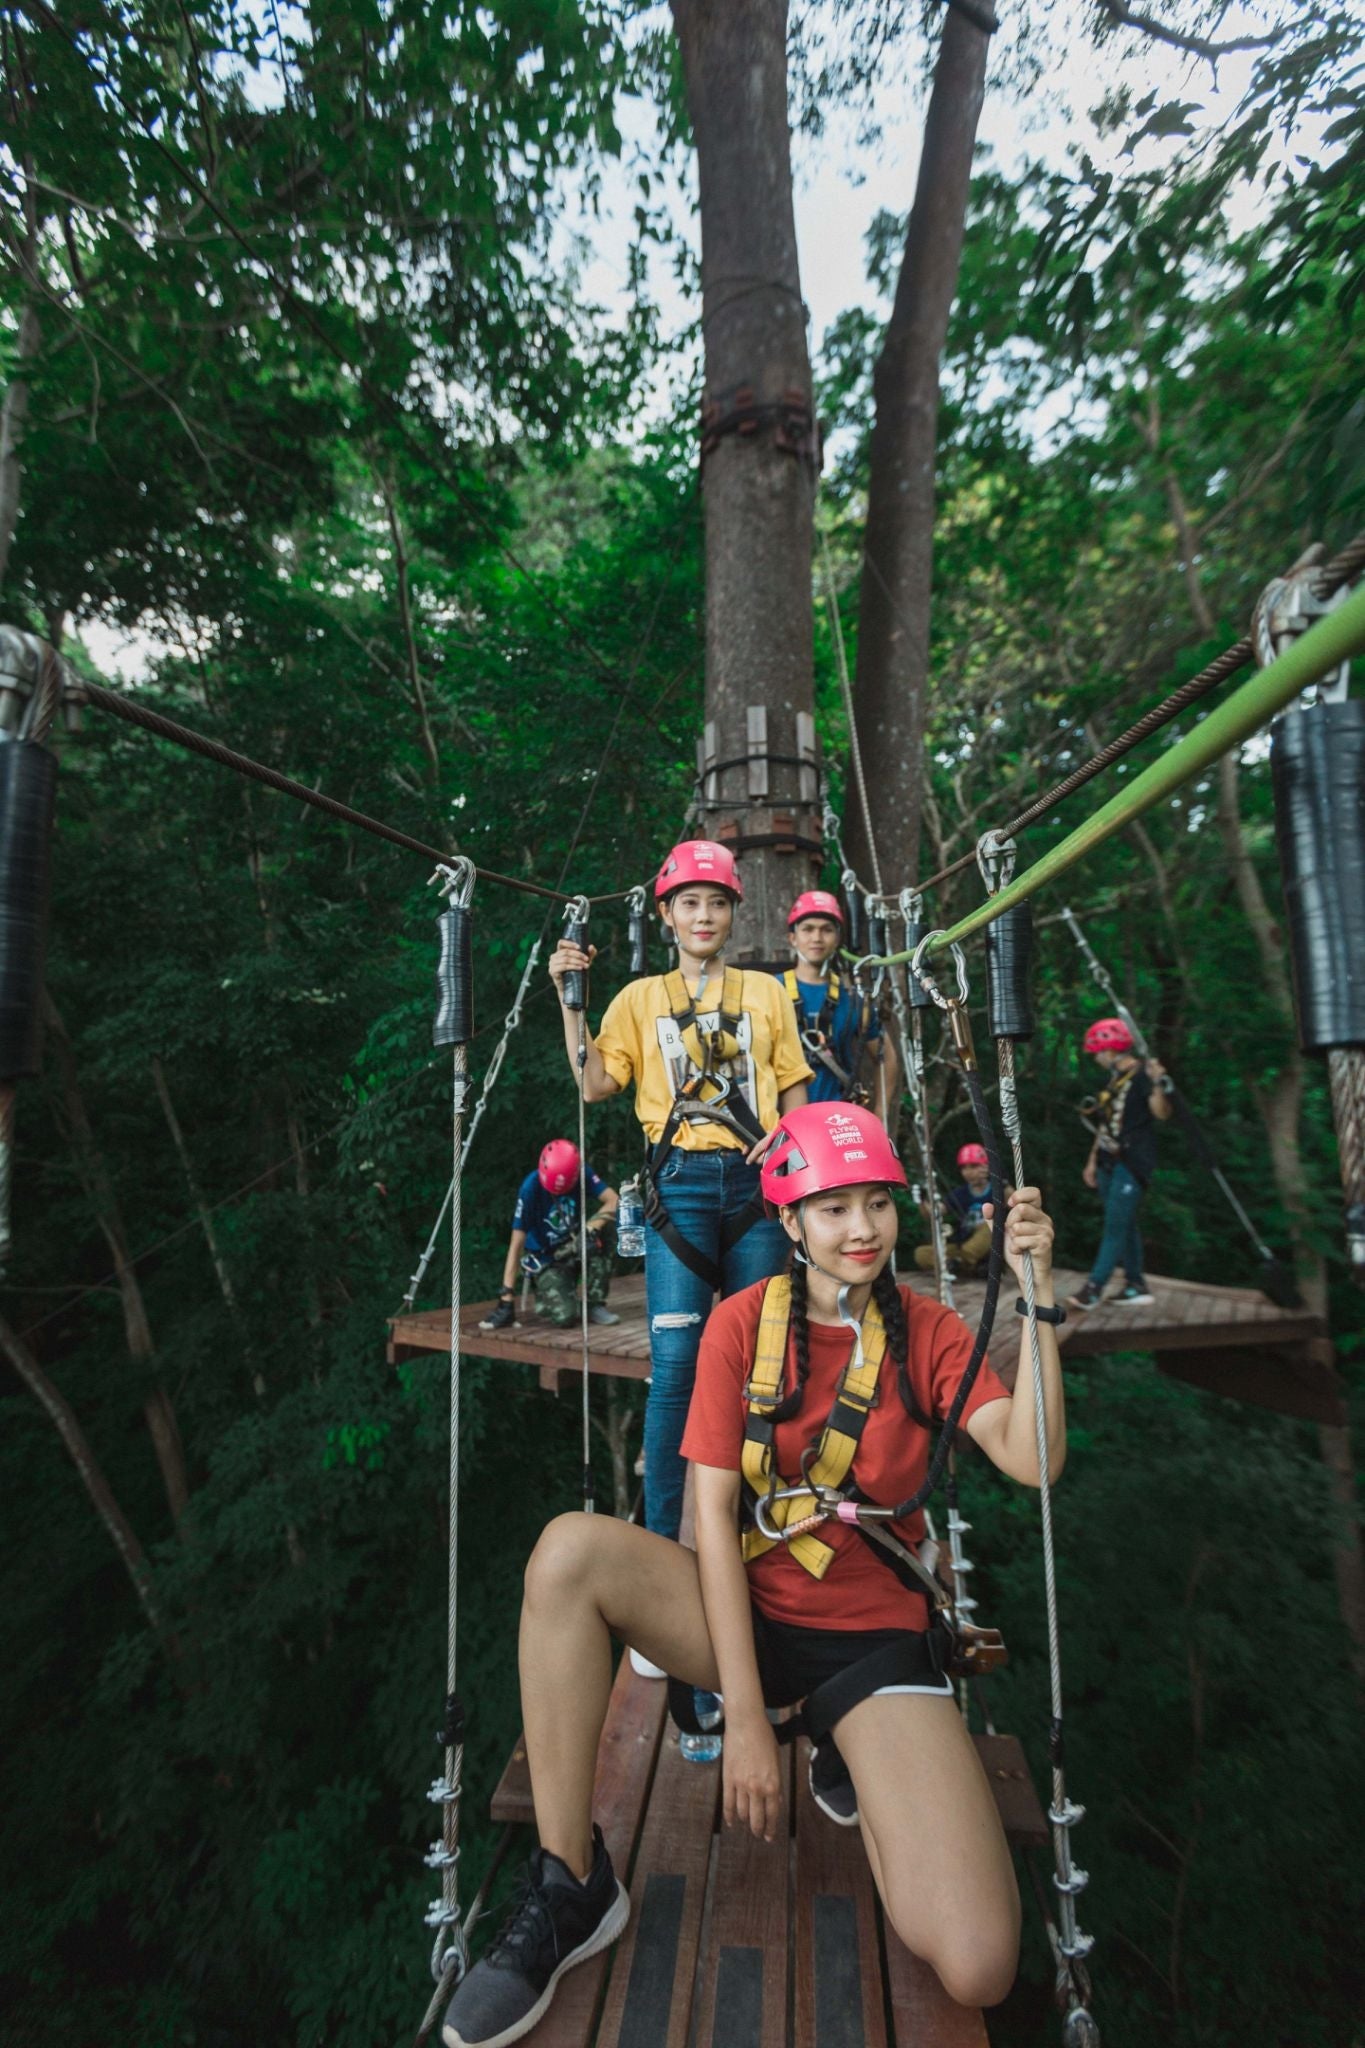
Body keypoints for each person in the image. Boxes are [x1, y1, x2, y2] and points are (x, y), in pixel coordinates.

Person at [439, 1102, 1067, 2048]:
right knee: (569, 1550)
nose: (860, 1229)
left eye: (877, 1205)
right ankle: (572, 1882)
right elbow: (710, 1518)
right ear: (789, 1223)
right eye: (832, 1208)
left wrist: (1037, 1300)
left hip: (873, 1642)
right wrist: (739, 1717)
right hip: (749, 1615)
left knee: (976, 1961)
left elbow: (1032, 1457)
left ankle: (852, 1746)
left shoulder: (926, 1331)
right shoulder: (740, 1327)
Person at [547, 839, 810, 1551]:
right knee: (674, 1369)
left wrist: (784, 1145)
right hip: (679, 1190)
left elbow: (792, 1086)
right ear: (667, 915)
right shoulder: (639, 1000)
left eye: (716, 903)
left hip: (756, 1188)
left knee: (764, 1359)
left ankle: (760, 1518)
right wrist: (569, 1003)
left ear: (732, 914)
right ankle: (663, 1532)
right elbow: (595, 1084)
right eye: (690, 903)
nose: (703, 915)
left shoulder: (765, 992)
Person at [1069, 1016, 1171, 1310]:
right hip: (1106, 1161)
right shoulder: (1113, 1080)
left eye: (1098, 1053)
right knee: (1124, 1225)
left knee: (1115, 1226)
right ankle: (1135, 1285)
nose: (1097, 1059)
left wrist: (1157, 1084)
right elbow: (1103, 1126)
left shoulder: (1142, 1076)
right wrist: (1091, 1162)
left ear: (1111, 1050)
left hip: (1133, 1161)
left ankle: (1093, 1288)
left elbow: (1161, 1113)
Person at [778, 889, 900, 1113]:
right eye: (808, 929)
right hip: (783, 1122)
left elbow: (887, 1058)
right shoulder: (771, 991)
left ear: (837, 938)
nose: (817, 938)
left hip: (838, 1120)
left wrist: (880, 1115)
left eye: (826, 930)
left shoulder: (854, 999)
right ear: (792, 938)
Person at [479, 1140, 620, 1333]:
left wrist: (590, 1228)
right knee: (565, 1317)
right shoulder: (531, 1187)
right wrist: (506, 1298)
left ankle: (594, 1304)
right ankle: (550, 1299)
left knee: (609, 1227)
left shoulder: (582, 1171)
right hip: (549, 1259)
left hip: (577, 1244)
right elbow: (516, 1245)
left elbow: (614, 1201)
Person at [913, 1142, 994, 1275]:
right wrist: (921, 1200)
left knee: (992, 1225)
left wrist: (1000, 1179)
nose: (968, 1172)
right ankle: (963, 1265)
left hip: (989, 1248)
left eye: (974, 1166)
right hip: (962, 1244)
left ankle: (962, 1262)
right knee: (921, 1254)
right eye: (964, 1168)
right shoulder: (960, 1193)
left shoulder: (999, 1189)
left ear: (986, 1166)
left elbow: (1014, 1203)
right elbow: (933, 1214)